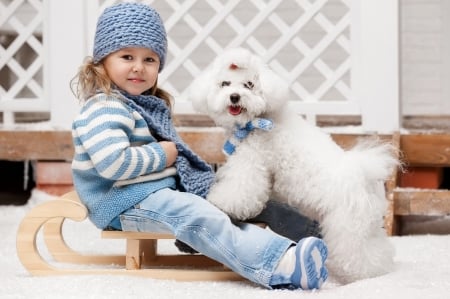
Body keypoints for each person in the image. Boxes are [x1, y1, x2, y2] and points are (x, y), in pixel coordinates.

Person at [70, 2, 328, 290]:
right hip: (122, 201)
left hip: (148, 194)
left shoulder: (142, 105)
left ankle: (310, 237)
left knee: (224, 200)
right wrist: (162, 153)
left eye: (150, 60)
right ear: (102, 61)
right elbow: (112, 163)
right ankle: (280, 264)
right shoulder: (104, 107)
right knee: (197, 215)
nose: (138, 67)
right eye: (127, 56)